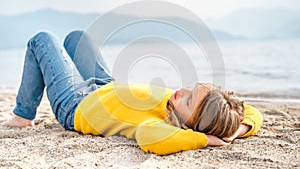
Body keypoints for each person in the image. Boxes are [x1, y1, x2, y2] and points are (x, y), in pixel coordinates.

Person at [3, 30, 263, 155]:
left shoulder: (160, 126)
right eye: (190, 90)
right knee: (77, 37)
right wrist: (234, 131)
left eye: (188, 99)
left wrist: (206, 140)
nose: (181, 91)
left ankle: (23, 115)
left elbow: (150, 140)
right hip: (106, 86)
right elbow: (253, 113)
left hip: (75, 106)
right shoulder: (179, 108)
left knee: (41, 40)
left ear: (191, 127)